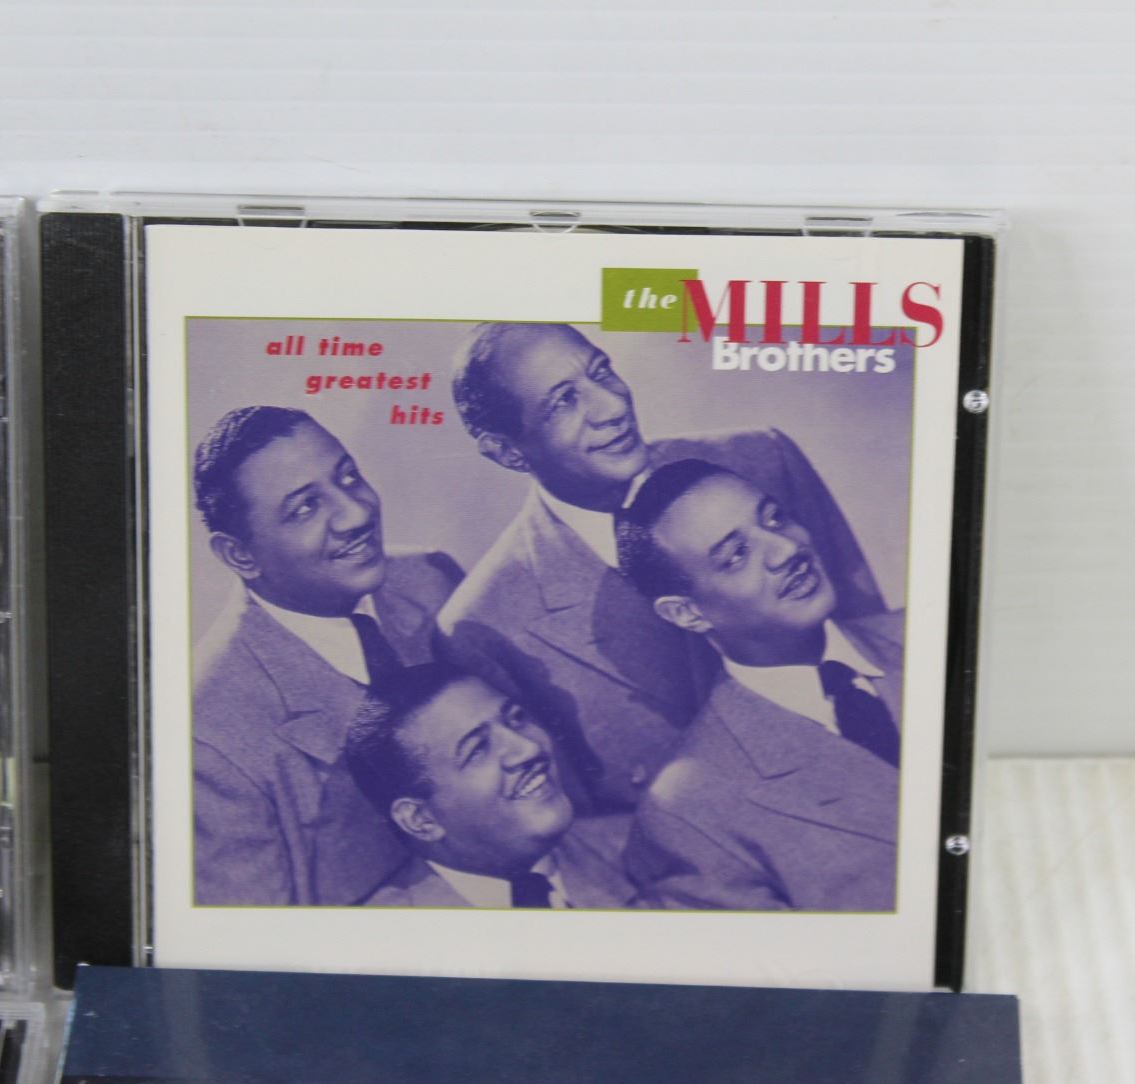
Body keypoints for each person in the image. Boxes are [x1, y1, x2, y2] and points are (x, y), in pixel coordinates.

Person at [438, 323, 883, 814]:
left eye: (601, 371)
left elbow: (874, 644)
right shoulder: (489, 624)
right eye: (564, 401)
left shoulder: (760, 459)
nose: (612, 407)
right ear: (506, 451)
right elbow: (578, 829)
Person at [191, 405, 463, 905]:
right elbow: (252, 939)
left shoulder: (430, 579)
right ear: (239, 555)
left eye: (349, 477)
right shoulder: (208, 732)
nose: (356, 514)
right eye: (305, 508)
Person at [615, 459, 904, 911]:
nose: (786, 549)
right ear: (687, 613)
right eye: (736, 555)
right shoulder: (689, 809)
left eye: (774, 519)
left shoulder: (938, 634)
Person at [345, 663, 636, 909]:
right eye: (478, 749)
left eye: (516, 719)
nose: (529, 748)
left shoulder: (641, 845)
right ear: (421, 819)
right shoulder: (382, 937)